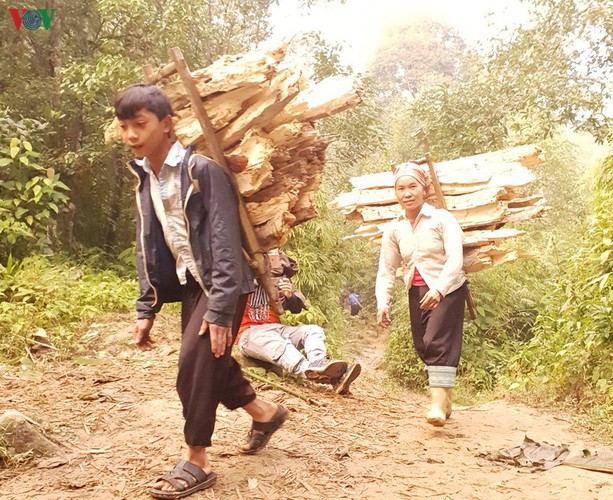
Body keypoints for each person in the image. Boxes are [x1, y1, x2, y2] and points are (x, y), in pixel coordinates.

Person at [115, 83, 287, 499]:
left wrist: (221, 309)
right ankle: (265, 414)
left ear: (166, 125)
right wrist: (146, 306)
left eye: (140, 125)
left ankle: (197, 460)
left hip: (224, 283)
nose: (132, 135)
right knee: (211, 362)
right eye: (124, 127)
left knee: (194, 364)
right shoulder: (145, 179)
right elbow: (146, 243)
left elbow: (226, 243)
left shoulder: (201, 171)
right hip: (191, 283)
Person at [375, 162, 467, 427]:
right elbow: (386, 269)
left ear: (424, 189)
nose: (407, 193)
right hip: (416, 290)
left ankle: (437, 406)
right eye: (401, 188)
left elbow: (455, 259)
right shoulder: (394, 228)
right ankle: (446, 399)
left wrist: (439, 289)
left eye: (412, 186)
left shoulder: (442, 219)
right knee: (423, 344)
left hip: (448, 287)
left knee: (436, 339)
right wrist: (383, 302)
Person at [237, 249, 361, 395]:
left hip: (277, 328)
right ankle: (320, 374)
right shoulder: (241, 277)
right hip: (249, 333)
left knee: (313, 331)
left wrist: (289, 296)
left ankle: (319, 363)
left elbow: (296, 308)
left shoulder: (279, 279)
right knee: (283, 346)